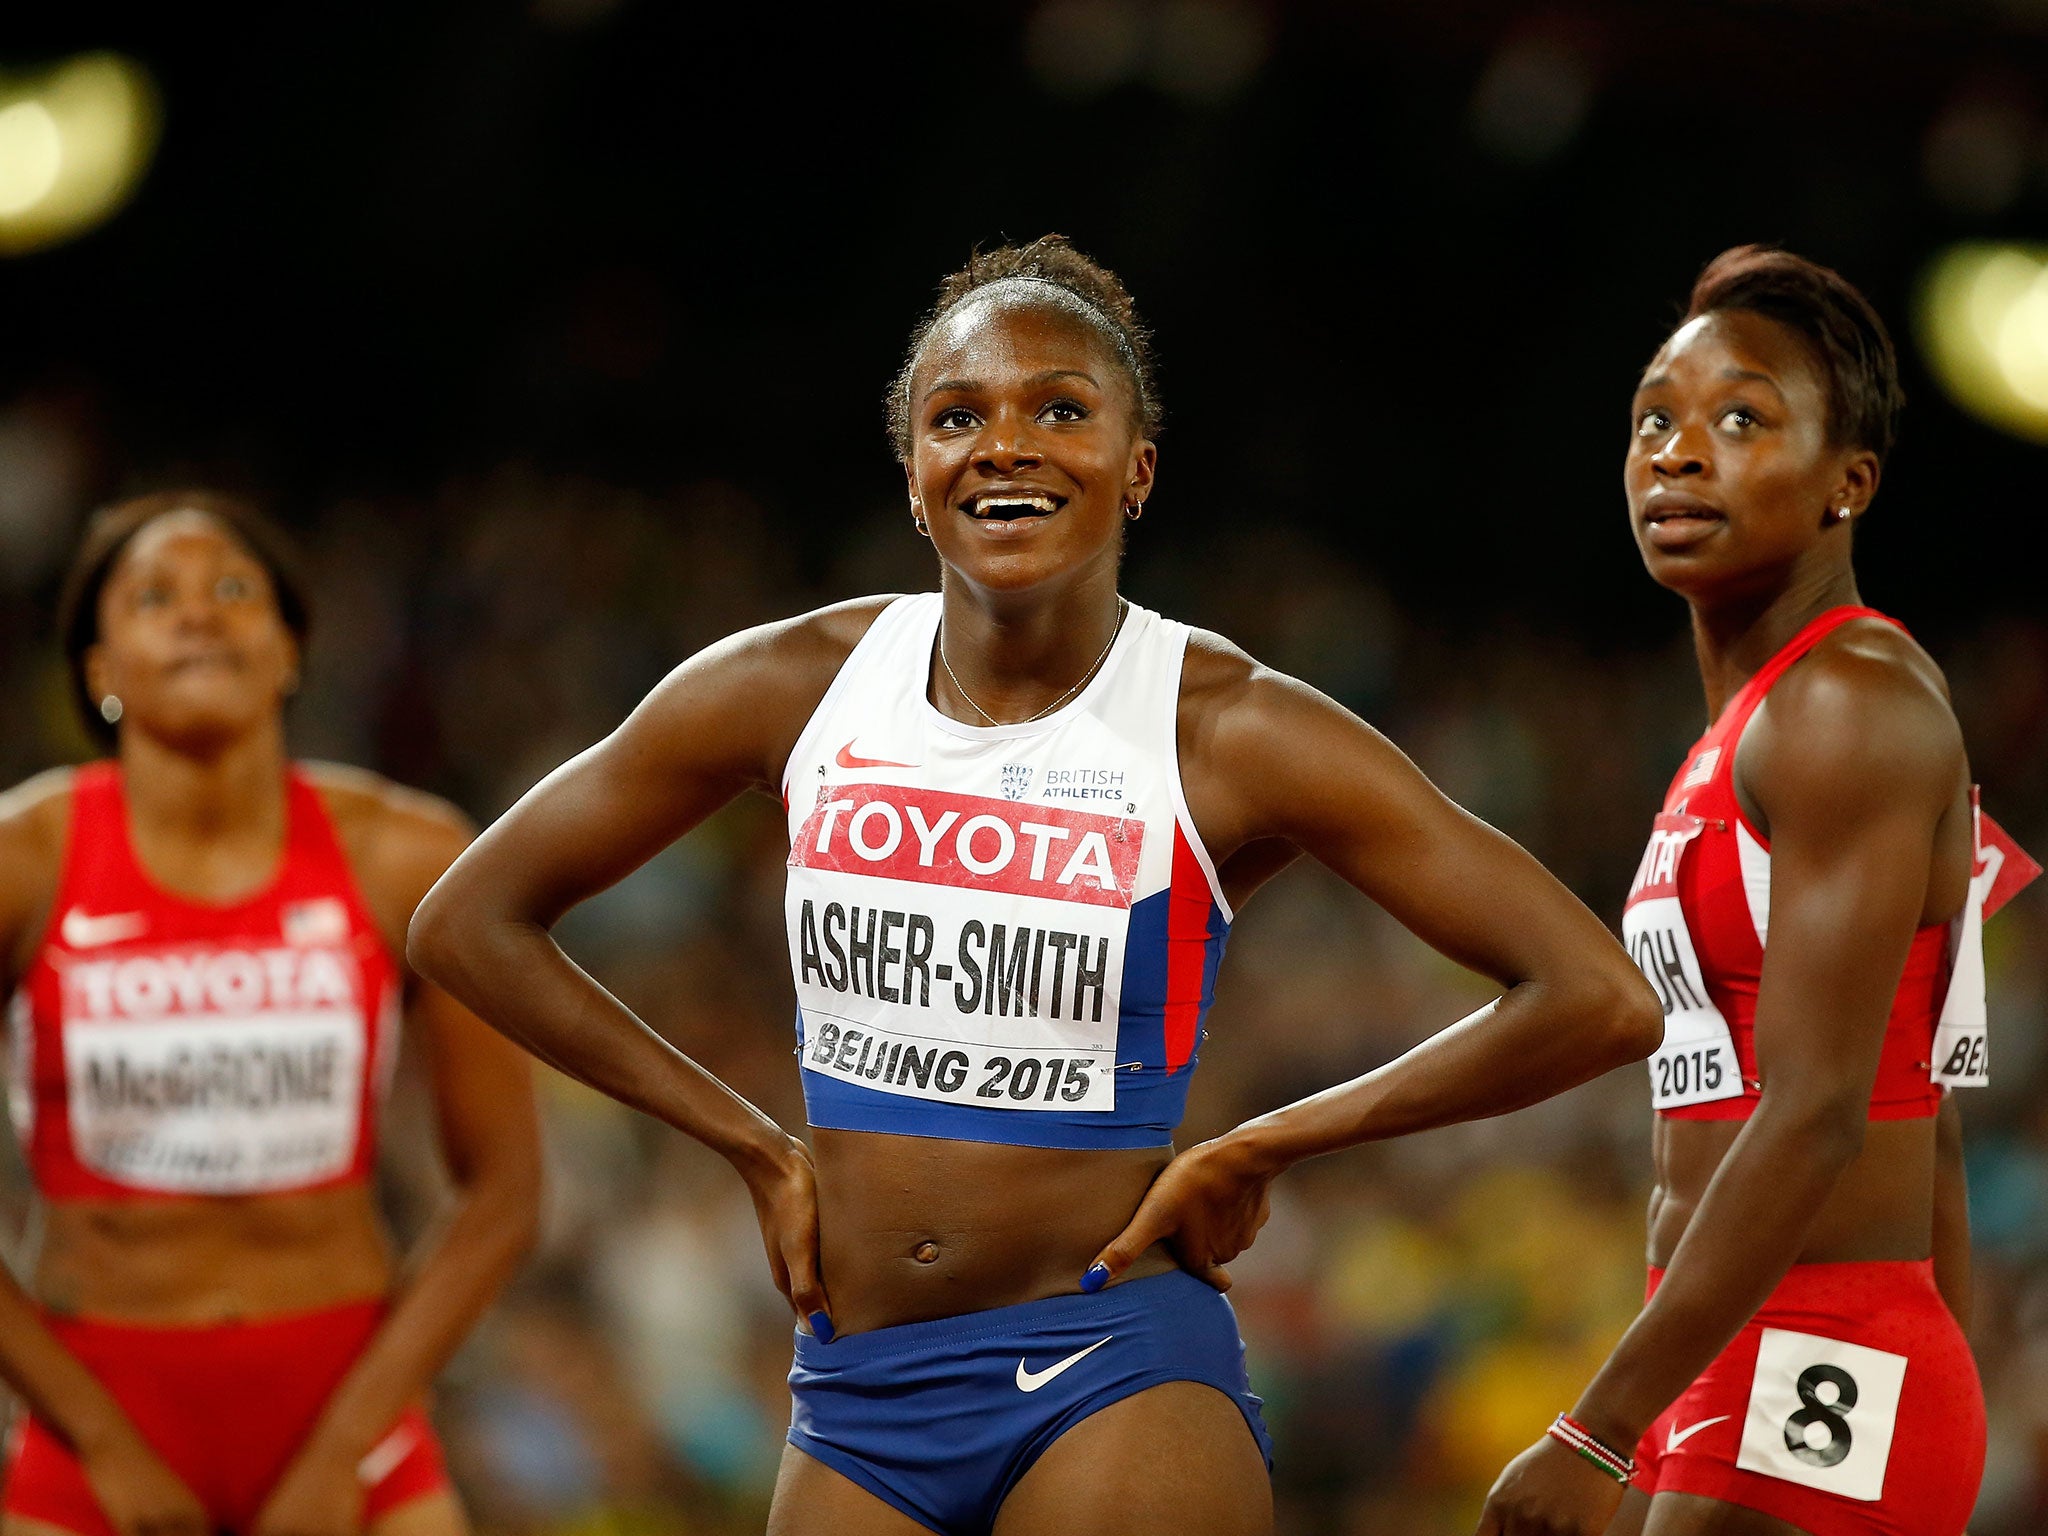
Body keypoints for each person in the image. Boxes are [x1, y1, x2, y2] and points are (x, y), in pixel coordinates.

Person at [408, 235, 1662, 1536]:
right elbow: (468, 922)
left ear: (1138, 468)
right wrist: (752, 1147)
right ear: (914, 476)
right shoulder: (789, 688)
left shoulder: (1224, 727)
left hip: (1109, 1365)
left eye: (1060, 409)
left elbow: (1595, 997)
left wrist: (1269, 1139)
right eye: (960, 416)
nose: (1005, 442)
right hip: (856, 1392)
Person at [1478, 248, 2028, 1536]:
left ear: (1850, 483)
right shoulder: (1748, 731)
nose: (1677, 453)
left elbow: (1824, 1110)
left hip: (1821, 1346)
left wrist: (1591, 1429)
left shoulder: (1852, 707)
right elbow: (1929, 1109)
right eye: (1652, 422)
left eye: (1740, 420)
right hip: (1742, 1338)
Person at [0, 492, 543, 1536]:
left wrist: (346, 1448)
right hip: (97, 1410)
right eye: (153, 596)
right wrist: (101, 1441)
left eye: (234, 590)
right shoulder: (25, 862)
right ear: (99, 671)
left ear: (289, 649)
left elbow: (505, 1193)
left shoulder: (409, 857)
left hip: (347, 1403)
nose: (199, 613)